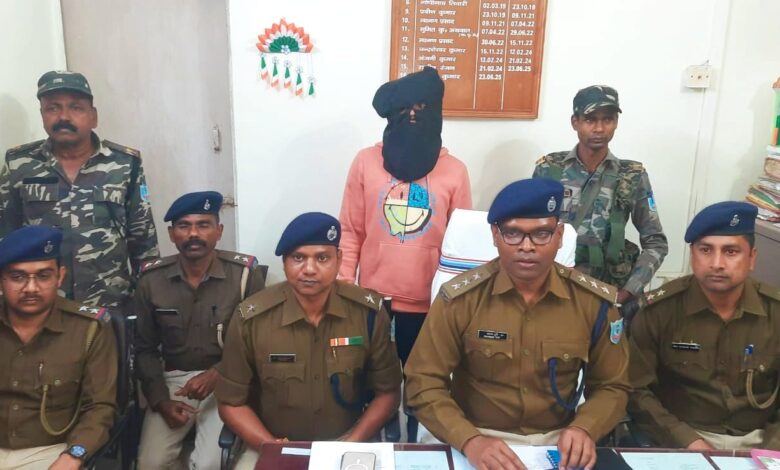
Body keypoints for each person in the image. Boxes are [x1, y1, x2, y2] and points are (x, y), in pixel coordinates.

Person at [405, 178, 630, 470]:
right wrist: (470, 440)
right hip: (475, 437)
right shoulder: (460, 299)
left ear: (559, 236)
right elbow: (422, 382)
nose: (527, 246)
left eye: (541, 234)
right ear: (495, 235)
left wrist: (585, 428)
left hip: (559, 441)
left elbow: (613, 385)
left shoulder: (593, 303)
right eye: (513, 233)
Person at [338, 66, 471, 439]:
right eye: (404, 110)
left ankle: (418, 452)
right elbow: (350, 229)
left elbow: (460, 244)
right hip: (373, 303)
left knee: (424, 391)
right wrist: (345, 287)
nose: (413, 117)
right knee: (373, 388)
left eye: (421, 109)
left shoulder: (455, 171)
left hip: (429, 306)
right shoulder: (366, 162)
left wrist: (456, 305)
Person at [216, 212, 402, 470]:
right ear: (284, 263)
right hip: (270, 443)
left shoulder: (368, 314)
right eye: (298, 258)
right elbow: (230, 402)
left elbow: (388, 392)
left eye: (322, 258)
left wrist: (351, 442)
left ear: (339, 260)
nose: (310, 269)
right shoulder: (251, 319)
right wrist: (271, 447)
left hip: (349, 442)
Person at [0, 70, 159, 313]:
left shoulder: (125, 164)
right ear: (42, 114)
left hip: (109, 308)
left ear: (93, 116)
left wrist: (148, 308)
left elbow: (144, 243)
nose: (64, 116)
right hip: (42, 309)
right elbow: (5, 238)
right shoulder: (18, 165)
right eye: (53, 108)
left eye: (76, 107)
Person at [628, 201, 780, 450]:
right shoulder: (659, 312)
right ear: (692, 255)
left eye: (731, 251)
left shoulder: (775, 312)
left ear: (752, 258)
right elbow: (635, 389)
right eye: (706, 250)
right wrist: (687, 440)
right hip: (682, 438)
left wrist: (772, 450)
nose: (717, 263)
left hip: (762, 440)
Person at [134, 191, 265, 469]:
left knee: (209, 464)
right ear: (172, 234)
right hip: (173, 382)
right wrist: (160, 401)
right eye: (184, 226)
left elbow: (256, 344)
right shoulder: (151, 280)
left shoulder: (244, 275)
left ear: (219, 231)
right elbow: (144, 349)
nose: (193, 234)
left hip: (228, 379)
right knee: (149, 463)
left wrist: (217, 373)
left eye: (203, 225)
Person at [533, 85, 667, 319]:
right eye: (590, 119)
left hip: (609, 294)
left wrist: (627, 291)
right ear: (575, 122)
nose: (599, 128)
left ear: (616, 122)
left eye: (607, 119)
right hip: (554, 290)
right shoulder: (549, 169)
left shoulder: (631, 176)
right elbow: (528, 231)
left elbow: (656, 242)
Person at [0, 225, 117, 469]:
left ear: (60, 276)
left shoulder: (88, 329)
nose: (31, 288)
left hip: (51, 452)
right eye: (18, 277)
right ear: (2, 280)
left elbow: (99, 408)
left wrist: (74, 455)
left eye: (43, 276)